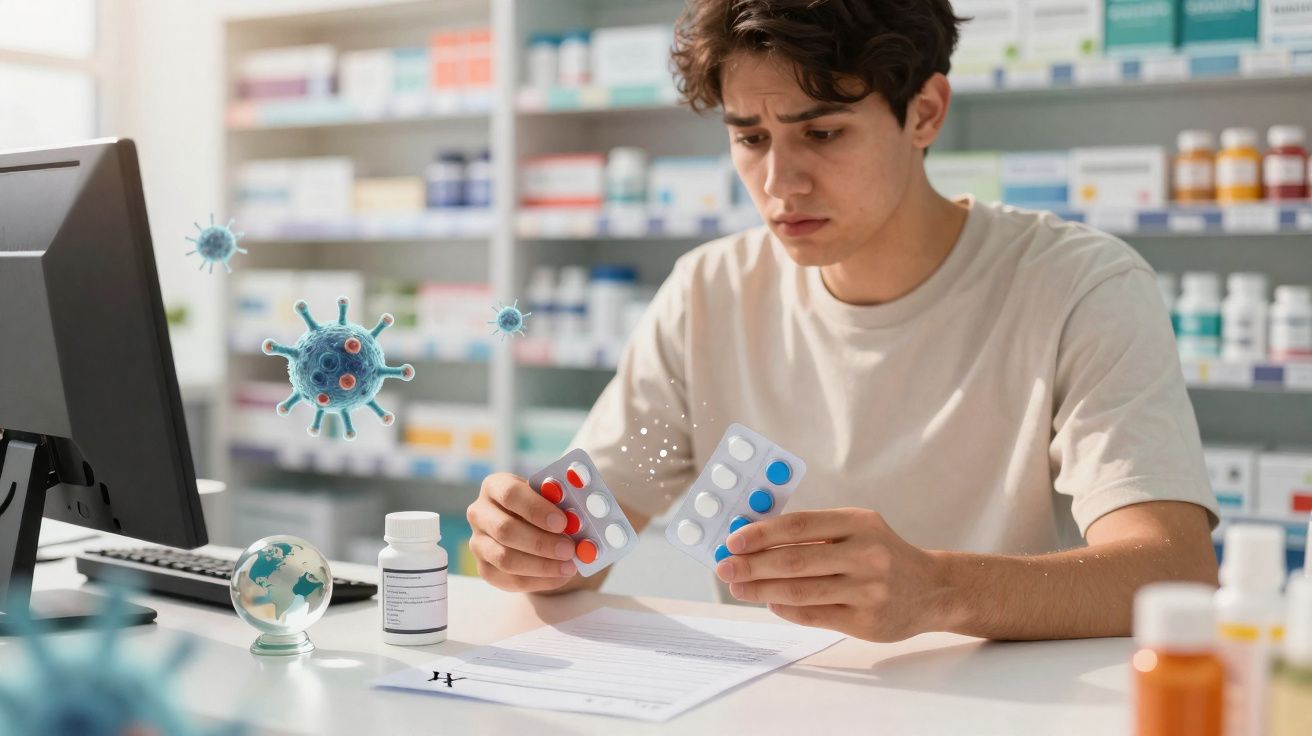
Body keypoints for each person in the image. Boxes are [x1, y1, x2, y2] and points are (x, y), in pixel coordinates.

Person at [466, 0, 1220, 643]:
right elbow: (590, 536)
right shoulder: (708, 292)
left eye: (822, 133)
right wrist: (532, 546)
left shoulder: (1079, 286)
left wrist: (939, 590)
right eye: (750, 138)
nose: (779, 183)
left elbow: (1171, 568)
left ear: (924, 112)